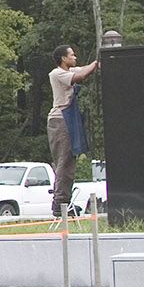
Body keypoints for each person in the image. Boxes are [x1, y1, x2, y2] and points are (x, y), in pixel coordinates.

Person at [46, 44, 101, 218]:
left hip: (68, 119)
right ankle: (60, 203)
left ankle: (64, 200)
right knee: (64, 162)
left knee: (69, 160)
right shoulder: (57, 73)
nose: (75, 57)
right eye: (72, 55)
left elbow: (85, 69)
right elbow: (81, 75)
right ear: (63, 58)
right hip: (60, 119)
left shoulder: (69, 70)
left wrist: (99, 63)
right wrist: (97, 61)